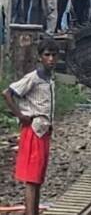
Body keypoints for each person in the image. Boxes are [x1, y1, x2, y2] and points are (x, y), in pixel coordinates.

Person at [3, 39, 59, 215]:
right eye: (47, 55)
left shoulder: (49, 78)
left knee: (38, 177)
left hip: (43, 131)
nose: (50, 59)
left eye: (53, 55)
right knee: (32, 177)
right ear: (40, 57)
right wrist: (20, 115)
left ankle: (32, 210)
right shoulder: (33, 78)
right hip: (34, 130)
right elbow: (8, 93)